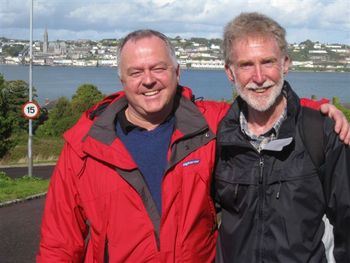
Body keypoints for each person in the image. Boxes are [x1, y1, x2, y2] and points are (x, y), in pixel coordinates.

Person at [37, 29, 349, 263]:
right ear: (122, 79)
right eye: (136, 72)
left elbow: (264, 106)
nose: (148, 80)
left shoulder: (211, 125)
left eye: (158, 68)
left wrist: (319, 110)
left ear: (176, 73)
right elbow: (59, 243)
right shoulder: (84, 145)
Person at [214, 12, 350, 262]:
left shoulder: (320, 133)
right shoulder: (217, 136)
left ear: (285, 64)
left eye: (268, 62)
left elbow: (346, 220)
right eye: (245, 65)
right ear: (229, 72)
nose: (258, 77)